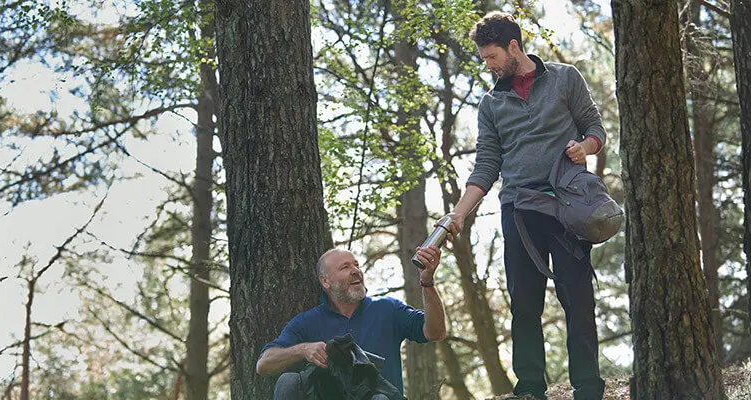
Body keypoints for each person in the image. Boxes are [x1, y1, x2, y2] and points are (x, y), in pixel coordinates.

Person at [442, 11, 608, 400]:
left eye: (492, 56)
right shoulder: (490, 104)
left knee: (579, 299)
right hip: (519, 210)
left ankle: (588, 387)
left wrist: (584, 148)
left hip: (568, 205)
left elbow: (595, 128)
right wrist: (459, 214)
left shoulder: (565, 78)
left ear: (513, 46)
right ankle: (530, 388)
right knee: (524, 305)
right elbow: (487, 165)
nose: (488, 64)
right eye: (484, 58)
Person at [255, 246, 447, 399]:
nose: (355, 271)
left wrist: (427, 282)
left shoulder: (388, 309)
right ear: (325, 281)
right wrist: (303, 350)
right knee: (288, 381)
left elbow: (436, 332)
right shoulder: (307, 322)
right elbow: (263, 364)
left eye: (356, 265)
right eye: (345, 267)